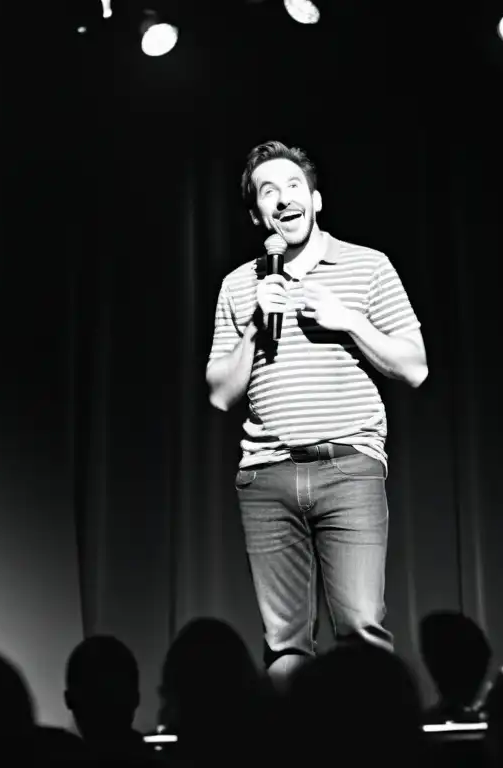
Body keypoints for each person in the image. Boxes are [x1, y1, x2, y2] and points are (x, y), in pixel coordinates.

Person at [205, 140, 427, 688]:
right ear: (258, 214)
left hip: (347, 466)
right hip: (266, 475)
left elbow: (415, 366)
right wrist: (258, 324)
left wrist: (349, 320)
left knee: (360, 630)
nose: (283, 200)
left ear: (317, 199)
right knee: (284, 644)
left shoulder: (368, 266)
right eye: (268, 192)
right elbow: (217, 392)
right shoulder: (240, 284)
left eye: (293, 187)